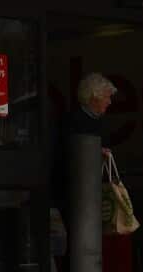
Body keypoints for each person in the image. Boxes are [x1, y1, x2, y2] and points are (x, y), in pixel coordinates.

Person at [50, 73, 117, 271]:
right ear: (94, 97)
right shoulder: (71, 121)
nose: (110, 102)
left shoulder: (101, 122)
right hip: (73, 195)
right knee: (75, 242)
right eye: (107, 97)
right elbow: (64, 154)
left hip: (93, 194)